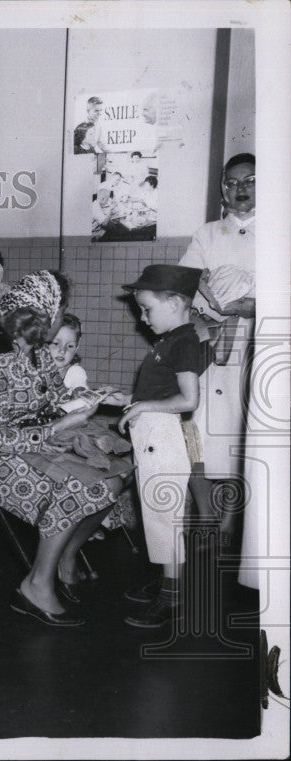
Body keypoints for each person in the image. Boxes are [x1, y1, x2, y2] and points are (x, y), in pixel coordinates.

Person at [0, 270, 124, 626]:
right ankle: (36, 585)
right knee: (80, 488)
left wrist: (89, 396)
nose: (62, 318)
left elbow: (56, 395)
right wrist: (58, 426)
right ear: (43, 315)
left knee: (114, 482)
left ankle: (64, 553)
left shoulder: (37, 353)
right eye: (60, 311)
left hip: (34, 440)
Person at [107, 265, 207, 628]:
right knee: (157, 516)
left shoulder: (184, 342)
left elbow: (188, 399)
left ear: (177, 302)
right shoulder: (167, 341)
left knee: (166, 519)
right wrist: (123, 397)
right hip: (152, 438)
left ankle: (171, 598)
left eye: (147, 309)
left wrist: (144, 405)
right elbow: (157, 393)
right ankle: (167, 581)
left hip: (165, 440)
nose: (143, 318)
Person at [177, 153, 256, 565]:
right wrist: (208, 309)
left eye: (249, 181)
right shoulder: (207, 233)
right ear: (222, 188)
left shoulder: (278, 231)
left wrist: (248, 307)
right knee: (196, 432)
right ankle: (207, 521)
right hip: (210, 340)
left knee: (240, 436)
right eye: (231, 182)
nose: (239, 188)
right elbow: (187, 284)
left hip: (257, 345)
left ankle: (228, 526)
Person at [47, 312, 88, 391]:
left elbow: (80, 385)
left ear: (76, 348)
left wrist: (79, 391)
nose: (63, 351)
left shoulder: (75, 372)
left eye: (70, 346)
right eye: (56, 343)